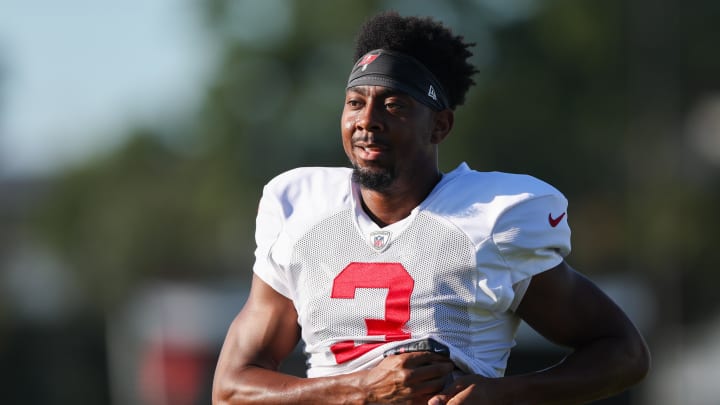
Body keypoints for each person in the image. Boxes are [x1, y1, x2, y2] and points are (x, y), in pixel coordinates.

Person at [212, 10, 650, 404]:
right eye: (355, 103)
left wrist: (505, 394)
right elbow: (231, 390)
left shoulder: (494, 219)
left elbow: (624, 353)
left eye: (394, 104)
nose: (368, 119)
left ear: (439, 125)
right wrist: (359, 389)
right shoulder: (299, 208)